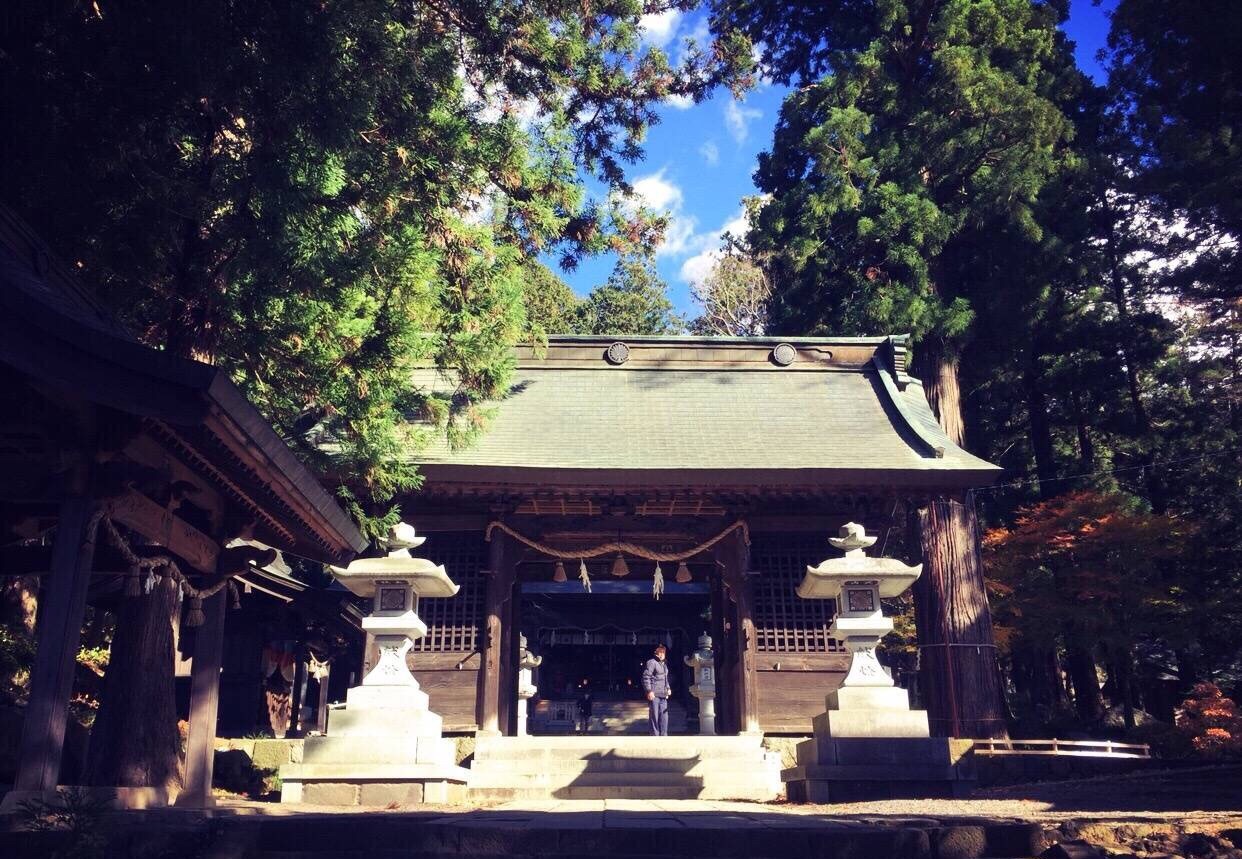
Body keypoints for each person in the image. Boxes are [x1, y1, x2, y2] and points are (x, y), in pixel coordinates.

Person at [642, 644, 672, 736]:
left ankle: (664, 735)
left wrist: (668, 688)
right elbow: (646, 677)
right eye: (660, 652)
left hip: (663, 693)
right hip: (654, 693)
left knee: (664, 716)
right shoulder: (652, 662)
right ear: (656, 653)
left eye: (663, 652)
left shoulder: (664, 664)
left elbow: (666, 678)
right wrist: (649, 691)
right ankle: (654, 735)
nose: (662, 654)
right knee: (654, 715)